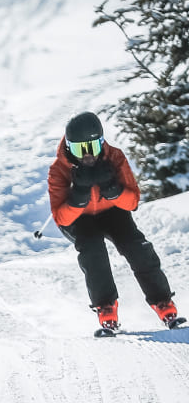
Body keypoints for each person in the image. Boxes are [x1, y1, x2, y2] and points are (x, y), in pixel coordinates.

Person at [47, 111, 184, 333]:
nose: (88, 155)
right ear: (69, 147)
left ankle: (163, 302)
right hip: (79, 219)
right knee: (92, 250)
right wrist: (79, 195)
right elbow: (61, 218)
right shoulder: (59, 170)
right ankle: (106, 308)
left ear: (102, 142)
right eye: (80, 149)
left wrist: (113, 190)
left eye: (93, 147)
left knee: (136, 247)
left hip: (112, 211)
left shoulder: (115, 157)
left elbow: (132, 202)